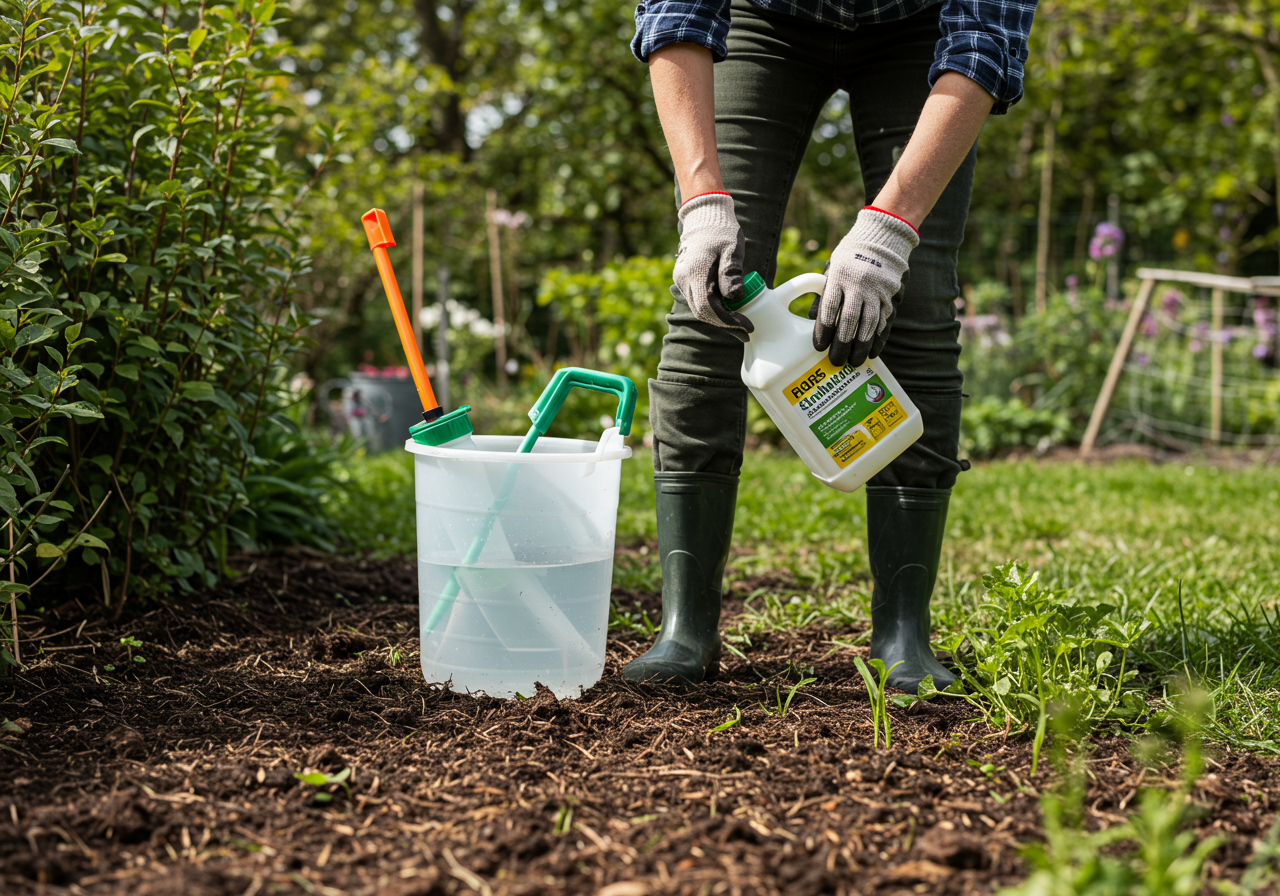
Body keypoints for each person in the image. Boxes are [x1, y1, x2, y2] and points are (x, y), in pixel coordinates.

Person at [621, 0, 1038, 691]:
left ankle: (904, 633)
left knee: (919, 296)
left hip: (920, 28)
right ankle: (684, 628)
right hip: (766, 18)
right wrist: (701, 203)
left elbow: (984, 40)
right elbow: (677, 13)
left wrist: (891, 230)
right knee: (711, 300)